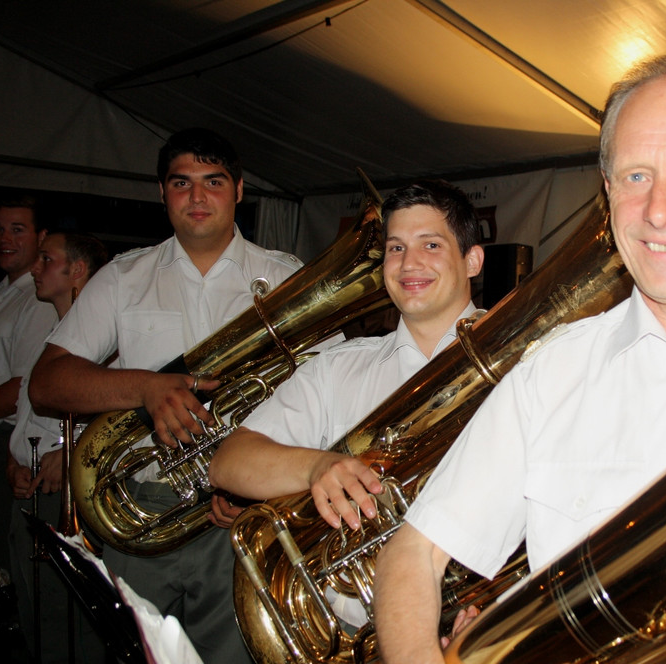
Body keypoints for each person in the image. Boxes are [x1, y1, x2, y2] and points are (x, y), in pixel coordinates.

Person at [373, 53, 666, 664]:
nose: (660, 211)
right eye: (637, 175)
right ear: (608, 188)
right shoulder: (551, 371)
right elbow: (413, 555)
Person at [28, 128, 303, 664]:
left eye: (213, 182)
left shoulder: (285, 278)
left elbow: (331, 394)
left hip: (245, 515)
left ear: (239, 190)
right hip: (144, 515)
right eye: (182, 183)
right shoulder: (123, 277)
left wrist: (267, 486)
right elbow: (47, 381)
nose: (197, 197)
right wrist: (147, 388)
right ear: (162, 192)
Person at [208, 179, 485, 538]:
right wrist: (317, 467)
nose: (408, 263)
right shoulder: (336, 367)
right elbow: (228, 463)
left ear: (472, 261)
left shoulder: (524, 357)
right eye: (396, 248)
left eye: (431, 245)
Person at [6, 231, 110, 664]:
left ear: (77, 271)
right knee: (35, 617)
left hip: (63, 491)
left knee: (65, 627)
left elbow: (114, 415)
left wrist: (70, 452)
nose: (35, 267)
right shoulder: (55, 338)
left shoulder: (104, 337)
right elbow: (26, 413)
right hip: (31, 486)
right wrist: (12, 462)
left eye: (46, 259)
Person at [0, 197, 57, 572]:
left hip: (4, 439)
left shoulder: (38, 299)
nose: (5, 239)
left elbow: (22, 385)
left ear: (41, 237)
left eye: (18, 230)